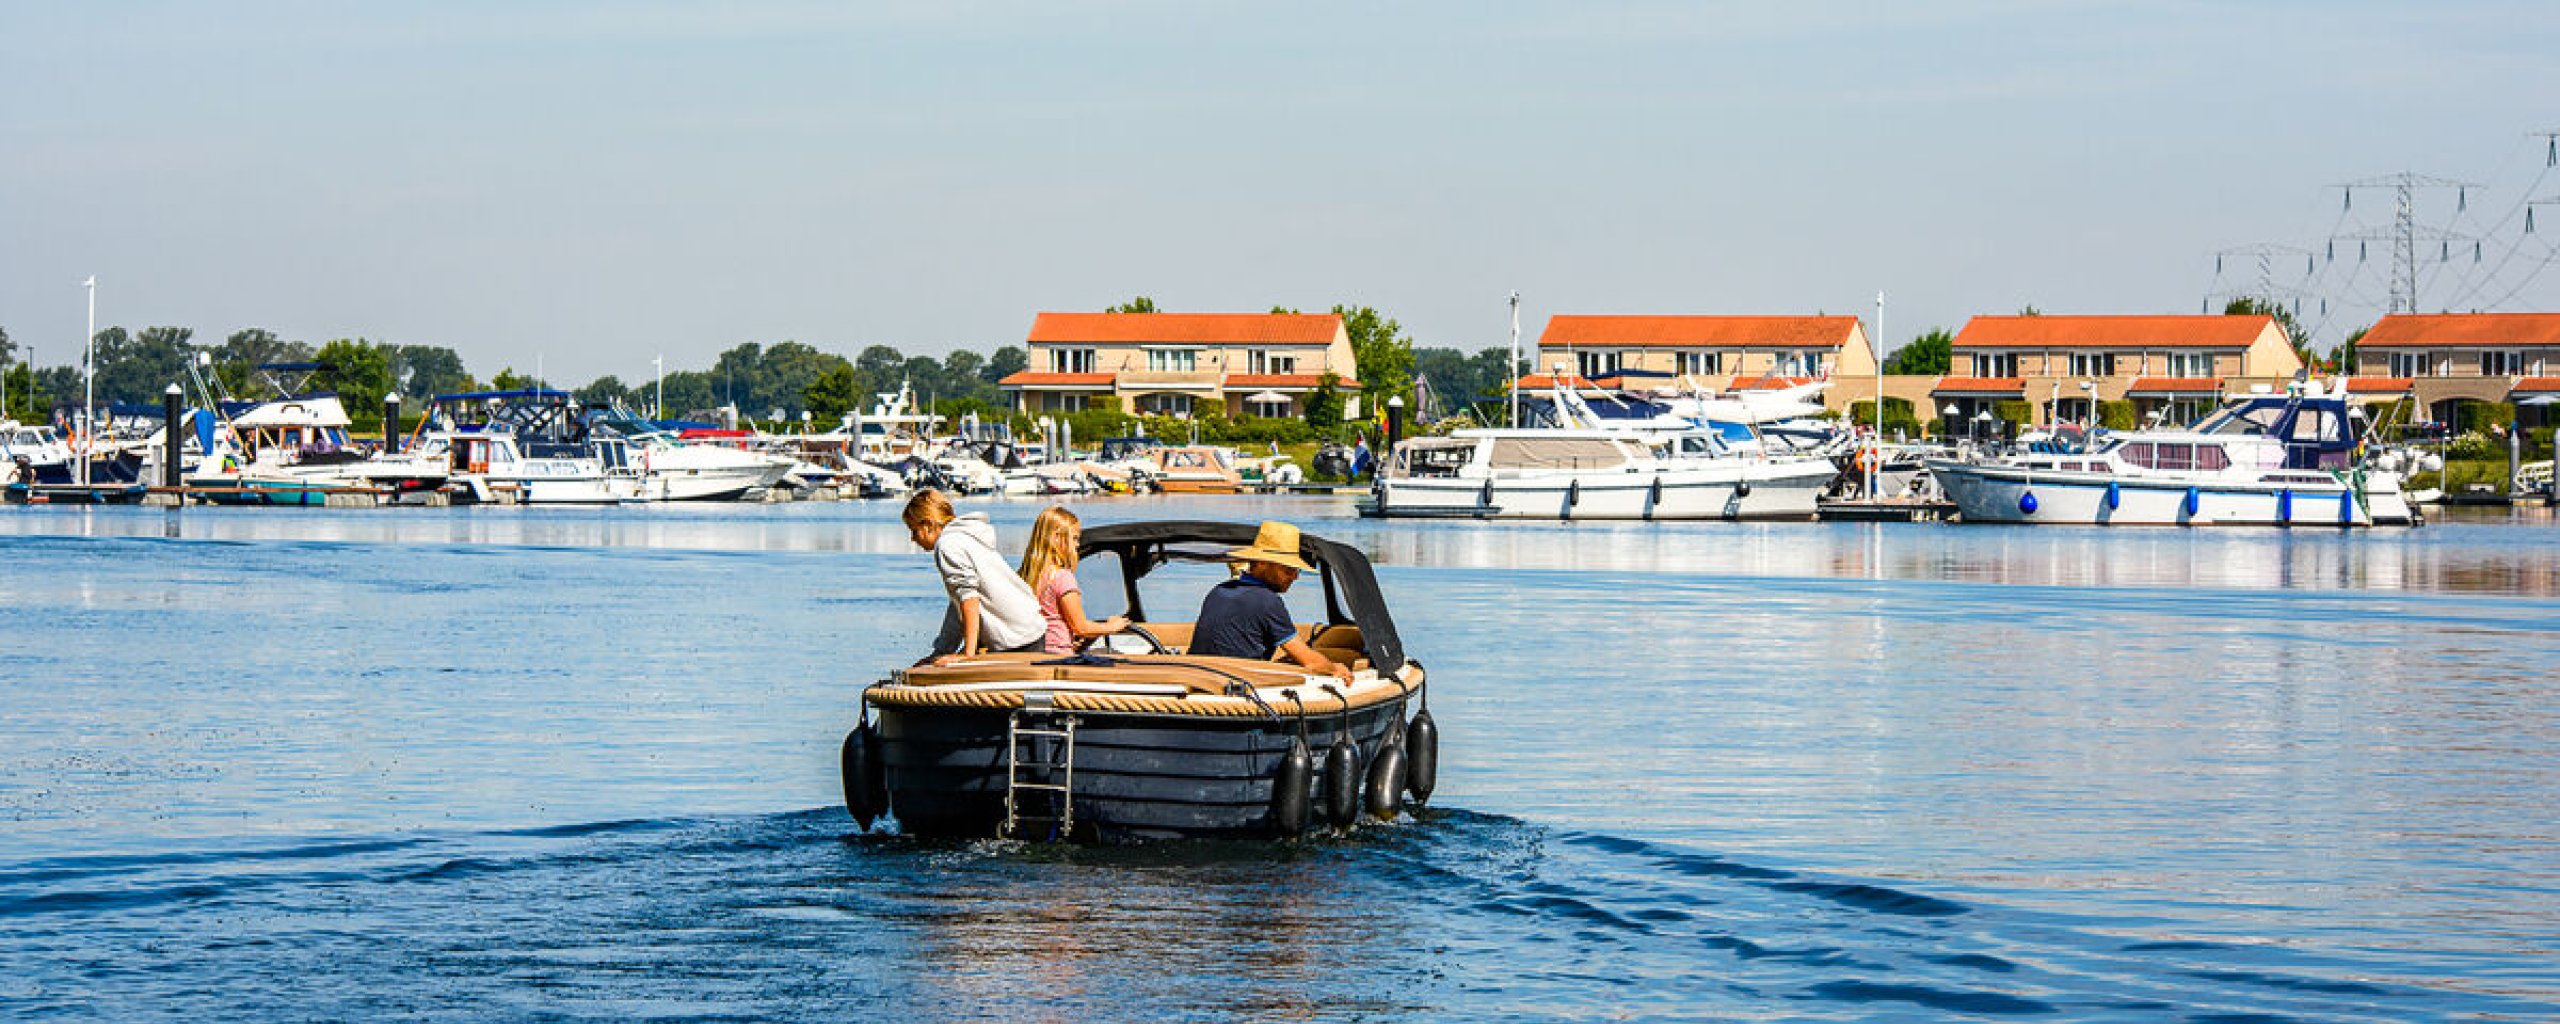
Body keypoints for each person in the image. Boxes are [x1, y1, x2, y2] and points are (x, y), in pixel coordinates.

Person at [1188, 520, 1353, 681]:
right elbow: (1310, 663)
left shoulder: (1218, 592)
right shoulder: (1267, 601)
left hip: (1196, 678)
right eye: (1288, 569)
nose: (1295, 577)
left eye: (1296, 570)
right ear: (1261, 564)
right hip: (1238, 687)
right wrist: (1335, 668)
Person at [903, 489, 1046, 664]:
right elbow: (958, 606)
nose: (913, 539)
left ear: (928, 525)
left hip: (1016, 638)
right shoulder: (964, 538)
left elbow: (969, 599)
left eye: (914, 530)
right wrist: (941, 651)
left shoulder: (948, 545)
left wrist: (968, 655)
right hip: (1026, 627)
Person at [1017, 505, 1128, 654]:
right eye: (1074, 538)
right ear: (1056, 538)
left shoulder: (1026, 576)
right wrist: (1112, 627)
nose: (1077, 544)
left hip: (1036, 652)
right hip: (1059, 655)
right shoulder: (1061, 577)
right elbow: (1080, 627)